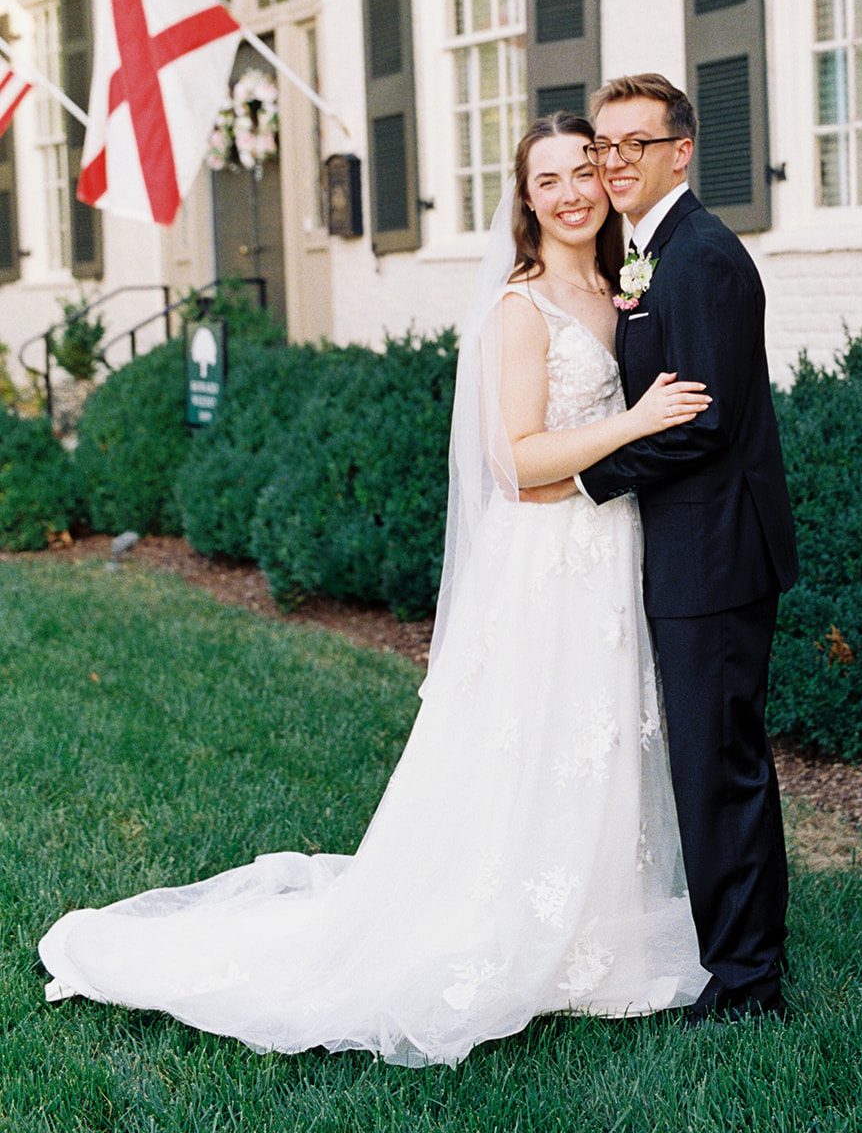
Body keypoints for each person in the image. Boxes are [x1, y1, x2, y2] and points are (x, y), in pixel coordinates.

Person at [38, 111, 712, 1067]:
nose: (569, 193)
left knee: (597, 730)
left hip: (607, 549)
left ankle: (592, 931)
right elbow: (514, 461)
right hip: (544, 557)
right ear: (523, 201)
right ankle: (504, 926)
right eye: (545, 180)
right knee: (535, 732)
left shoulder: (620, 287)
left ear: (609, 179)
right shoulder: (521, 310)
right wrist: (636, 424)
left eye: (582, 173)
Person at [549, 73, 799, 1025]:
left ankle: (746, 985)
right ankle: (737, 954)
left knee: (717, 766)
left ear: (680, 151)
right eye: (601, 148)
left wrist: (578, 480)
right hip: (688, 550)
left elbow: (699, 424)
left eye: (631, 147)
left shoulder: (702, 259)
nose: (612, 165)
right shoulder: (655, 252)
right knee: (711, 760)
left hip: (715, 555)